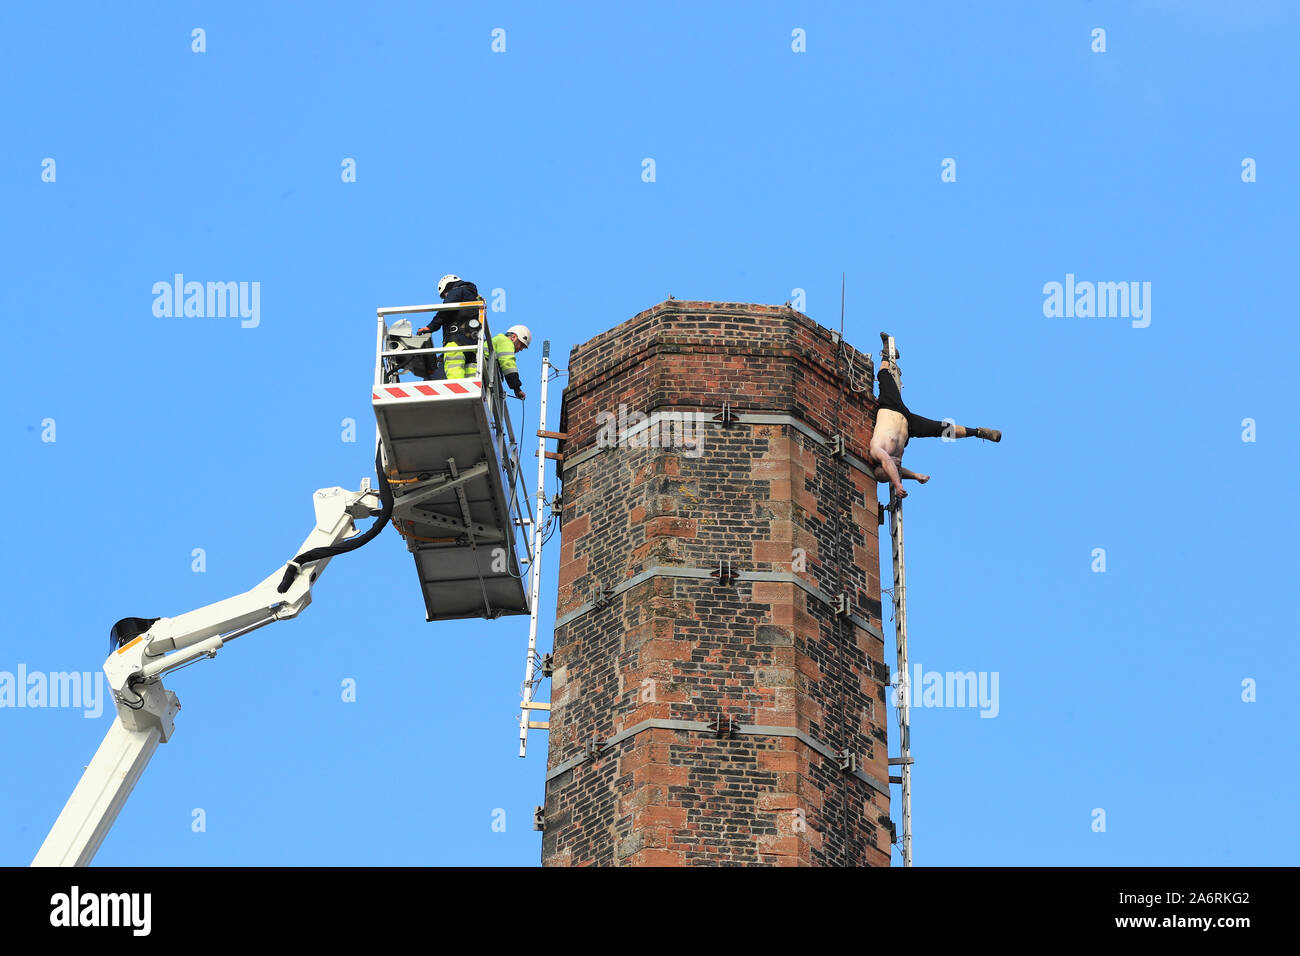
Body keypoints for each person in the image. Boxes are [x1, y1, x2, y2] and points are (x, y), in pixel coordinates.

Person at [868, 333, 1001, 501]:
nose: (897, 464)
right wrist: (916, 476)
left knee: (883, 376)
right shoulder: (895, 461)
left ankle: (887, 353)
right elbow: (898, 470)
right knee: (942, 429)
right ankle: (979, 432)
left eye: (893, 467)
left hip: (891, 408)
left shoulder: (877, 451)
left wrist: (898, 485)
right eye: (896, 466)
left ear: (885, 466)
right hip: (909, 424)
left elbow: (890, 466)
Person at [420, 274, 484, 380]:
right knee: (471, 374)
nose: (446, 296)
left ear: (448, 286)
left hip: (457, 341)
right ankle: (470, 394)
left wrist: (430, 327)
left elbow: (445, 311)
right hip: (472, 344)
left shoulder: (457, 291)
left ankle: (458, 391)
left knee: (454, 367)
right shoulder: (473, 297)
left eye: (445, 295)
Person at [492, 325, 531, 399]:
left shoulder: (498, 340)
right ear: (513, 337)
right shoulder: (505, 341)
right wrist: (517, 388)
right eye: (521, 345)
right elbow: (508, 365)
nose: (521, 349)